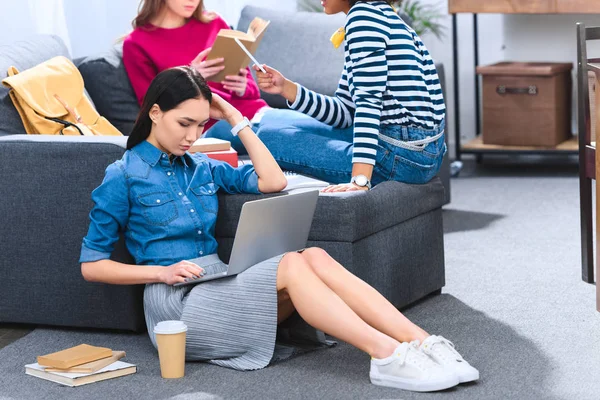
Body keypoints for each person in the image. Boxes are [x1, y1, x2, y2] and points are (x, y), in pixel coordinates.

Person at [79, 66, 478, 392]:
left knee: (315, 256)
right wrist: (161, 272)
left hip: (219, 284)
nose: (192, 136)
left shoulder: (201, 167)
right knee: (291, 263)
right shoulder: (123, 175)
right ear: (154, 112)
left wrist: (237, 121)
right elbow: (92, 265)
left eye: (200, 125)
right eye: (184, 123)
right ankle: (387, 355)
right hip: (176, 308)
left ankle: (424, 342)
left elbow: (273, 182)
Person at [254, 0, 447, 193]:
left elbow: (369, 103)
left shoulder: (363, 18)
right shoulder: (382, 15)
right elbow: (345, 113)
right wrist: (286, 88)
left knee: (269, 138)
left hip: (405, 156)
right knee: (273, 124)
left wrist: (360, 181)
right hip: (423, 152)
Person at [122, 0, 269, 153]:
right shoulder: (136, 43)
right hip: (210, 126)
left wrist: (243, 87)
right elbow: (151, 107)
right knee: (284, 135)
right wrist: (190, 77)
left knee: (292, 125)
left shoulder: (215, 23)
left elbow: (253, 91)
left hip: (255, 111)